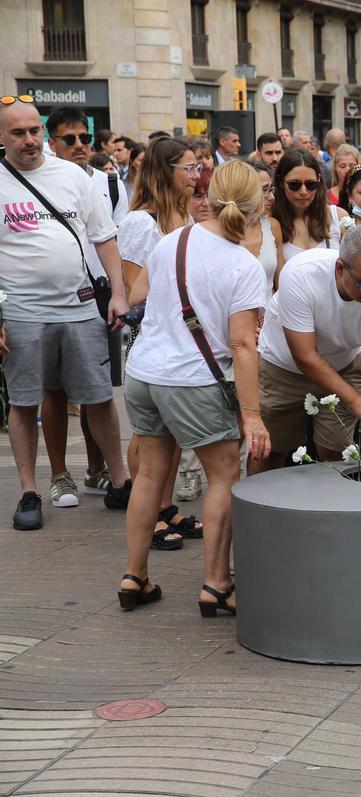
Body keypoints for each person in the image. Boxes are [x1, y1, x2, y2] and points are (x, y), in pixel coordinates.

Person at [118, 160, 271, 614]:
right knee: (224, 476)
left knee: (148, 474)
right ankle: (216, 584)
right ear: (256, 205)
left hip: (145, 372)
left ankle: (134, 575)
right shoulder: (243, 263)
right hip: (194, 379)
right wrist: (252, 414)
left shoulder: (173, 239)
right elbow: (243, 344)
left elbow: (138, 293)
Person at [0, 96, 131, 531]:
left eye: (34, 131)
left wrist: (118, 294)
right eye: (18, 132)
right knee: (23, 403)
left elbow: (104, 236)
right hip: (20, 310)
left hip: (78, 305)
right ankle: (28, 492)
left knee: (98, 396)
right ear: (2, 137)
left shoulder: (73, 176)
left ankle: (120, 480)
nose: (30, 140)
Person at [254, 225, 361, 472]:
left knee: (336, 453)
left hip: (345, 365)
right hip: (284, 367)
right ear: (340, 269)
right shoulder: (300, 274)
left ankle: (326, 508)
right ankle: (259, 508)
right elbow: (305, 355)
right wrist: (354, 399)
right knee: (271, 451)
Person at [118, 137, 207, 539]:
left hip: (181, 338)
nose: (197, 175)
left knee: (172, 432)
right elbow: (132, 288)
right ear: (164, 171)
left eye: (197, 167)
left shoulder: (184, 216)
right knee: (147, 434)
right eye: (188, 168)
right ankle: (146, 509)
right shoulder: (142, 221)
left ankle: (166, 505)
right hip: (150, 336)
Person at [41, 106, 130, 503]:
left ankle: (103, 470)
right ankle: (62, 474)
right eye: (69, 139)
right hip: (53, 297)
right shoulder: (40, 182)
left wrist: (120, 291)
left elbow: (116, 241)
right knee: (56, 389)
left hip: (101, 294)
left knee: (99, 390)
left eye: (85, 139)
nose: (79, 146)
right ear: (53, 142)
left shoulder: (110, 185)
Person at [272, 148, 349, 263]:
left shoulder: (338, 217)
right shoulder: (271, 223)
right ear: (280, 182)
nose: (303, 191)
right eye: (294, 184)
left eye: (311, 184)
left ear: (318, 180)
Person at [241, 164, 285, 301]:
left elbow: (282, 282)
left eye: (271, 189)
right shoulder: (223, 231)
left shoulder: (273, 226)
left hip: (269, 317)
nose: (271, 197)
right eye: (264, 190)